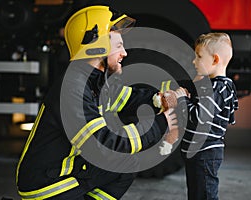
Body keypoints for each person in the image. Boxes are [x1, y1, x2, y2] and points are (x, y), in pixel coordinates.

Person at [15, 5, 177, 200]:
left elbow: (129, 98)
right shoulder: (73, 87)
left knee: (127, 164)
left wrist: (160, 99)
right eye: (118, 46)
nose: (124, 53)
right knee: (120, 158)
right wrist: (160, 123)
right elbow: (106, 146)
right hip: (47, 185)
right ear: (96, 47)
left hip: (62, 173)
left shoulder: (93, 82)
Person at [158, 32, 238, 199]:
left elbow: (200, 118)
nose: (194, 61)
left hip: (205, 154)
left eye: (199, 56)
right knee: (196, 194)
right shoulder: (216, 87)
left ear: (215, 60)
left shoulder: (217, 89)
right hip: (198, 153)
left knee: (204, 194)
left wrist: (181, 100)